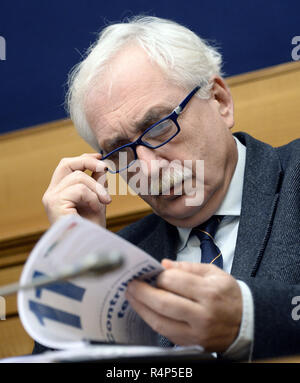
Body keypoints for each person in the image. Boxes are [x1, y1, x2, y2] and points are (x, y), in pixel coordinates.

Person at [35, 16, 300, 361]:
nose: (148, 168)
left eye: (159, 127)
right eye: (120, 151)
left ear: (220, 101)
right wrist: (80, 253)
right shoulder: (122, 255)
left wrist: (248, 320)